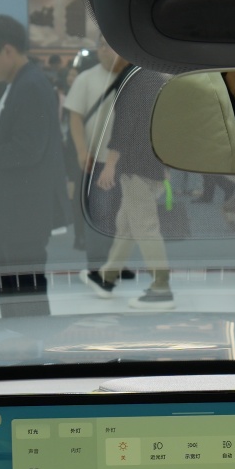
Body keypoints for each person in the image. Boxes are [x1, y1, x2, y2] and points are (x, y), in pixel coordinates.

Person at [0, 14, 65, 316]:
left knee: (24, 299)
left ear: (7, 50)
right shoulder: (21, 83)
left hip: (23, 214)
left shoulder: (30, 86)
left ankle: (31, 343)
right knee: (14, 294)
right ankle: (21, 341)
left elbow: (27, 150)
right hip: (15, 213)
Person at [92, 68, 174, 309]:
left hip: (135, 165)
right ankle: (107, 276)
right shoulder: (159, 81)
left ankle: (161, 287)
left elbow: (123, 126)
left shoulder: (135, 81)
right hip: (153, 162)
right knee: (126, 224)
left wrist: (110, 164)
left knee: (145, 227)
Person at [65, 42, 131, 284]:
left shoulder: (132, 77)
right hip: (97, 161)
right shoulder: (86, 78)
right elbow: (75, 117)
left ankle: (115, 263)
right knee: (99, 214)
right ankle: (97, 266)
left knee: (121, 215)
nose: (104, 49)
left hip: (126, 162)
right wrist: (82, 151)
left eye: (110, 45)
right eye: (101, 45)